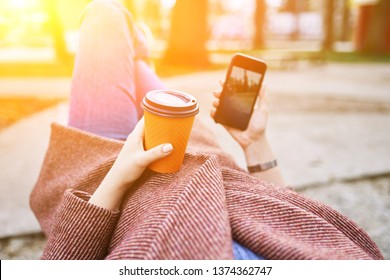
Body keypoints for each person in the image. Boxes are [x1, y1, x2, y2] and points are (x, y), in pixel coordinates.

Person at [30, 0, 383, 260]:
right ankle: (139, 54)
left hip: (107, 165)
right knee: (125, 47)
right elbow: (288, 212)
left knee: (105, 15)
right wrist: (255, 143)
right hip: (194, 147)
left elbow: (63, 261)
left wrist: (120, 175)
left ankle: (138, 50)